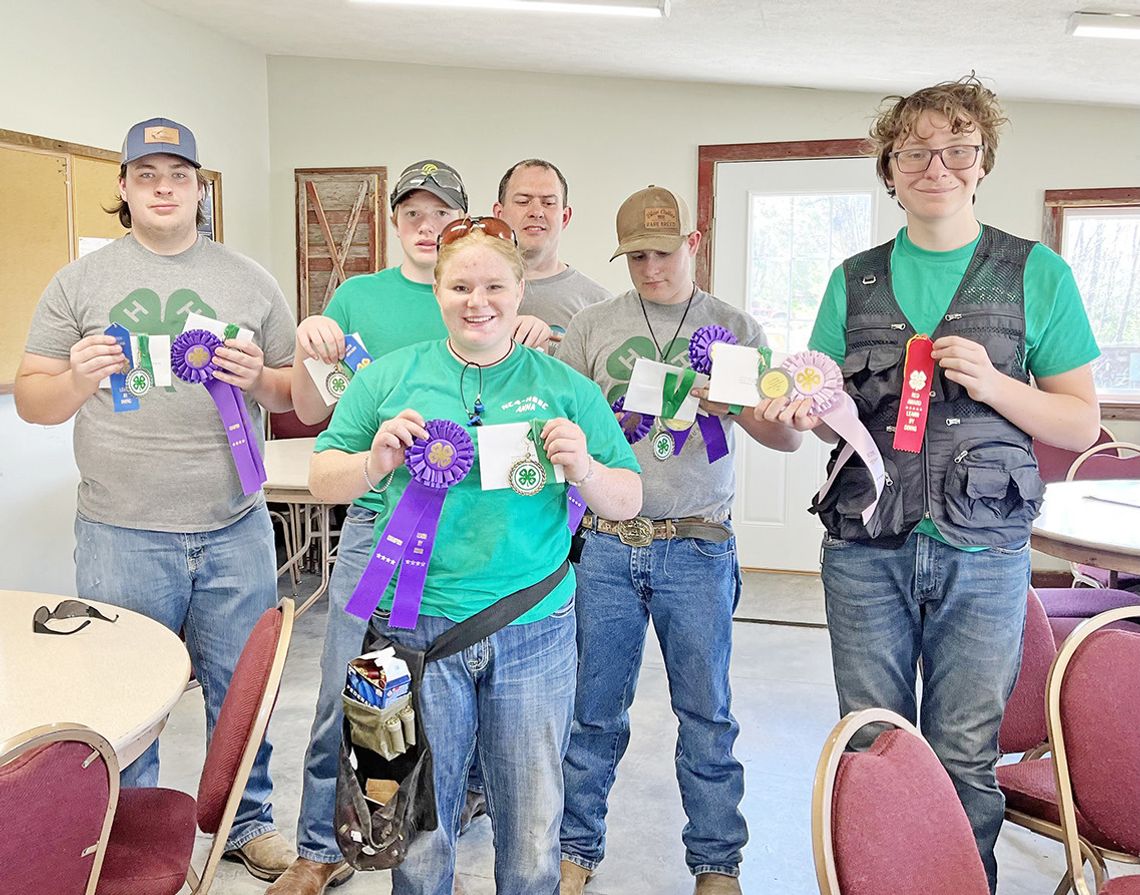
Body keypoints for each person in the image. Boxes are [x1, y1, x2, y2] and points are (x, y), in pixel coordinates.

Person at [758, 75, 1100, 893]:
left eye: (956, 147)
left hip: (983, 554)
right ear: (889, 167)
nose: (935, 164)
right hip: (863, 550)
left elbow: (1079, 424)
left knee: (964, 757)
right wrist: (791, 413)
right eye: (913, 149)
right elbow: (815, 402)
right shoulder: (853, 280)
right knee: (873, 748)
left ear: (982, 162)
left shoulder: (1036, 273)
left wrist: (993, 383)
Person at [308, 217, 642, 895]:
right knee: (420, 835)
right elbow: (322, 478)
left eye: (494, 284)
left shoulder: (563, 386)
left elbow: (628, 497)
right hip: (417, 630)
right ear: (437, 290)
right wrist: (374, 461)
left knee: (529, 832)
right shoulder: (390, 380)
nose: (477, 300)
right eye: (460, 285)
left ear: (521, 289)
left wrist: (584, 469)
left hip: (535, 631)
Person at [15, 117, 298, 881]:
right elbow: (35, 402)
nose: (164, 187)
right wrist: (76, 375)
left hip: (234, 523)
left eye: (179, 174)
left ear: (200, 188)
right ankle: (124, 828)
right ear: (124, 187)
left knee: (244, 690)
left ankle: (248, 818)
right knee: (125, 696)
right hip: (120, 531)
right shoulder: (80, 282)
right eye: (147, 174)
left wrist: (258, 379)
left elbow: (294, 388)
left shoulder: (249, 278)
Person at [557, 186, 802, 895]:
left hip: (698, 544)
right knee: (593, 711)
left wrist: (742, 408)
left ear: (693, 242)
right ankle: (575, 849)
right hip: (604, 544)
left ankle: (717, 863)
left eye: (662, 253)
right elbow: (563, 422)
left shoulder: (735, 327)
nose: (650, 268)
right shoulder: (594, 324)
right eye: (635, 255)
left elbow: (785, 437)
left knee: (706, 714)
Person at [276, 159, 470, 894]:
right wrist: (310, 341)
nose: (426, 227)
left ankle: (428, 827)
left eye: (439, 214)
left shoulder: (475, 294)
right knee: (350, 684)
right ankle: (318, 844)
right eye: (412, 214)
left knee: (451, 693)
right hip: (375, 519)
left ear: (462, 218)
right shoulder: (358, 296)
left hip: (469, 530)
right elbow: (311, 405)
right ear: (395, 223)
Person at [493, 159, 611, 335]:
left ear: (565, 217)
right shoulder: (467, 292)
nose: (536, 212)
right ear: (499, 215)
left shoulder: (599, 305)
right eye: (523, 201)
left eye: (548, 203)